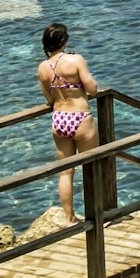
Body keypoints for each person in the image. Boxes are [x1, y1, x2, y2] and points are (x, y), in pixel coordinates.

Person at [36, 23, 99, 223]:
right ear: (63, 41)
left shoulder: (43, 68)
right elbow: (93, 89)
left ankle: (69, 217)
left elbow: (48, 98)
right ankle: (96, 216)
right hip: (80, 118)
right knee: (91, 168)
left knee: (65, 172)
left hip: (59, 119)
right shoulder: (75, 60)